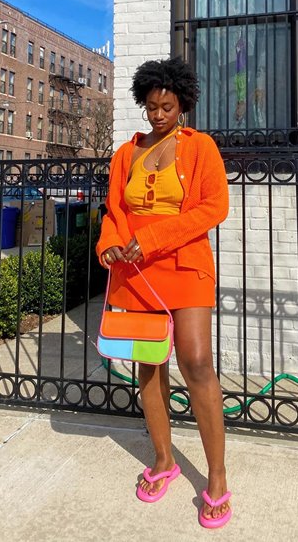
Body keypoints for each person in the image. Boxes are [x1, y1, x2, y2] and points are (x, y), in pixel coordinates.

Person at [96, 57, 232, 529]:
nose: (158, 115)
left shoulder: (200, 148)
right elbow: (114, 211)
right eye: (151, 106)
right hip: (136, 273)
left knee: (196, 361)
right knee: (149, 366)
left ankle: (215, 476)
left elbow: (215, 207)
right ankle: (163, 459)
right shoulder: (124, 154)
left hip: (185, 264)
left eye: (167, 107)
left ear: (183, 105)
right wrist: (110, 244)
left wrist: (152, 238)